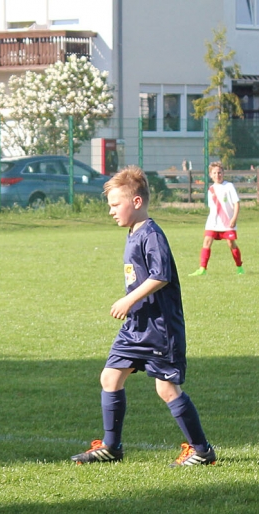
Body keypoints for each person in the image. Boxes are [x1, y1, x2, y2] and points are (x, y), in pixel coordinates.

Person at [72, 166, 216, 467]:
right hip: (136, 325)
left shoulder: (151, 234)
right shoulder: (134, 232)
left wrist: (128, 299)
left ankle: (202, 450)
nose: (111, 211)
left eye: (116, 204)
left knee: (166, 388)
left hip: (160, 327)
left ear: (136, 202)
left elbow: (161, 275)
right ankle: (111, 447)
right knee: (110, 377)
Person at [189, 162, 244, 276]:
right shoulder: (211, 189)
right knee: (206, 242)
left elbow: (236, 203)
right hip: (213, 223)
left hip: (227, 222)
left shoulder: (229, 186)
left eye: (219, 172)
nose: (217, 175)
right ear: (210, 175)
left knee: (231, 243)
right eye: (214, 173)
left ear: (223, 173)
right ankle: (202, 269)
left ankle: (239, 267)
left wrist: (234, 218)